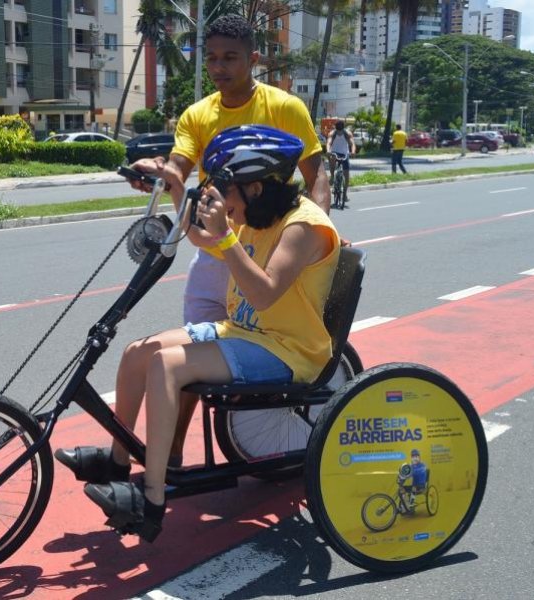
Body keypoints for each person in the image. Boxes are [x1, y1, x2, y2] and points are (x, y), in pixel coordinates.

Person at [55, 125, 341, 541]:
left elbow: (262, 293)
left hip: (287, 348)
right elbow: (205, 241)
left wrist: (225, 235)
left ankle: (152, 499)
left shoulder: (302, 226)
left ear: (256, 188)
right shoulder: (261, 214)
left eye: (227, 189)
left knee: (167, 366)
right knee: (139, 350)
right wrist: (176, 186)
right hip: (246, 332)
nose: (221, 199)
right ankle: (119, 462)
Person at [120, 14, 330, 468]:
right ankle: (171, 456)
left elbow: (317, 176)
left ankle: (164, 466)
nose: (219, 67)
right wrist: (158, 174)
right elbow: (179, 164)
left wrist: (312, 241)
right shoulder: (199, 114)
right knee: (187, 359)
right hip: (215, 251)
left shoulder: (285, 107)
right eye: (211, 58)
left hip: (270, 250)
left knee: (207, 356)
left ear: (253, 59)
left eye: (230, 58)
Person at [326, 120, 357, 202]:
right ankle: (332, 176)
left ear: (343, 128)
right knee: (332, 158)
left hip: (344, 153)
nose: (339, 132)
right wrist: (328, 151)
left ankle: (345, 194)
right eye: (338, 130)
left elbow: (352, 143)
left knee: (346, 176)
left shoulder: (347, 133)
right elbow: (329, 143)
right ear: (336, 128)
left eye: (341, 131)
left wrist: (353, 152)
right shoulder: (333, 133)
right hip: (334, 152)